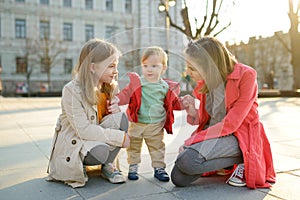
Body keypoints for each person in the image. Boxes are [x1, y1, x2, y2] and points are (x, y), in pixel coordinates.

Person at [171, 36, 276, 189]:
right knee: (178, 178)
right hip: (218, 134)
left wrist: (192, 141)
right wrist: (193, 111)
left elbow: (231, 123)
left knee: (187, 160)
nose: (187, 72)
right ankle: (225, 164)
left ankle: (243, 160)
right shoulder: (207, 81)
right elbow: (210, 118)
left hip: (240, 135)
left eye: (192, 68)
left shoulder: (246, 75)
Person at [46, 38, 130, 188]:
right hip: (79, 139)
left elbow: (106, 122)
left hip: (97, 135)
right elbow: (83, 130)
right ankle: (77, 167)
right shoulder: (71, 91)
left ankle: (107, 166)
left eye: (116, 66)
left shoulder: (108, 88)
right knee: (101, 150)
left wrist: (114, 112)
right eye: (111, 66)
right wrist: (120, 137)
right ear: (93, 67)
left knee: (121, 118)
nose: (116, 71)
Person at [115, 46, 182, 182]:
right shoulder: (138, 82)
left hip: (156, 124)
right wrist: (118, 99)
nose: (149, 69)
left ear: (163, 68)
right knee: (133, 146)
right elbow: (126, 93)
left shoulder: (165, 87)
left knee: (157, 147)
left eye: (154, 66)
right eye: (145, 66)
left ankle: (159, 168)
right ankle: (133, 166)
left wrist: (184, 104)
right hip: (137, 122)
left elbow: (172, 103)